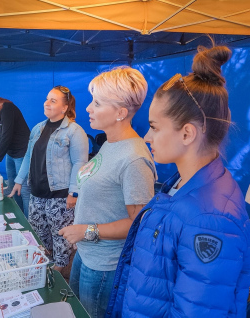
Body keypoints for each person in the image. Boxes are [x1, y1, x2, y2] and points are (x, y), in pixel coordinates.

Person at [106, 45, 250, 317]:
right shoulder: (181, 183)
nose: (147, 137)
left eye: (154, 127)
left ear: (187, 134)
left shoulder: (212, 220)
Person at [59, 67, 157, 318]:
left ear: (121, 113)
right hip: (87, 254)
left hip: (104, 266)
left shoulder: (134, 157)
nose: (89, 108)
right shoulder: (110, 143)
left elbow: (138, 225)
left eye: (97, 103)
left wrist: (87, 230)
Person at [10, 85, 89, 274]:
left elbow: (80, 163)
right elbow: (28, 157)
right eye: (47, 99)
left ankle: (60, 276)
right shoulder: (38, 128)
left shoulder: (74, 131)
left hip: (60, 197)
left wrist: (74, 191)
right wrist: (18, 181)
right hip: (37, 195)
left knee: (61, 239)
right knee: (39, 236)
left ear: (64, 107)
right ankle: (44, 270)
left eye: (53, 101)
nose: (47, 103)